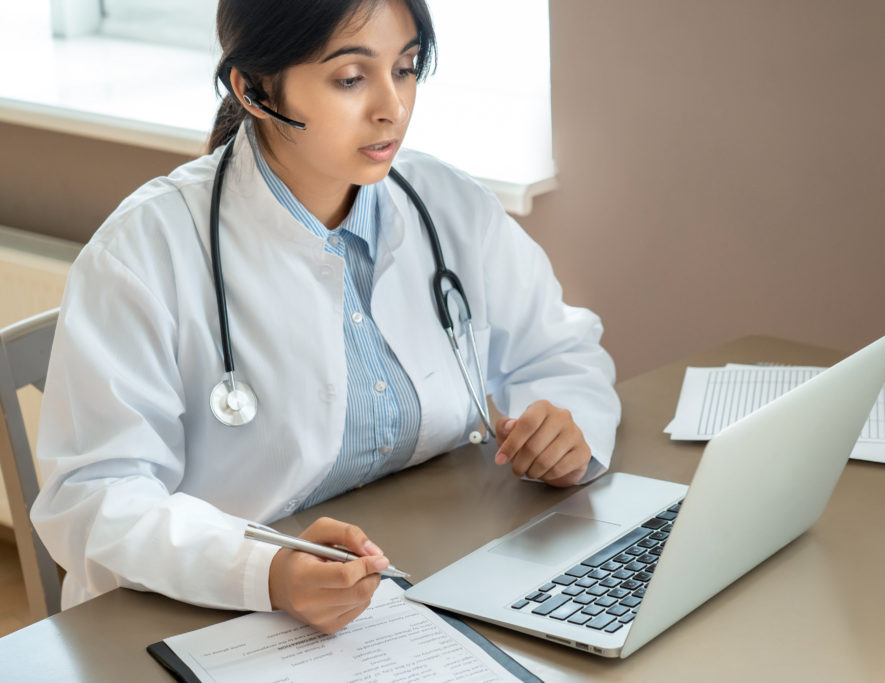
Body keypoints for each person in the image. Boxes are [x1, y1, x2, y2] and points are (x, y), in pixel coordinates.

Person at [30, 0, 619, 634]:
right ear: (254, 90)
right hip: (199, 620)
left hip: (421, 591)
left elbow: (561, 353)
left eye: (407, 68)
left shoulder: (450, 207)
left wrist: (564, 430)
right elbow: (96, 496)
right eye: (350, 78)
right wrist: (264, 570)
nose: (391, 106)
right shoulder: (144, 252)